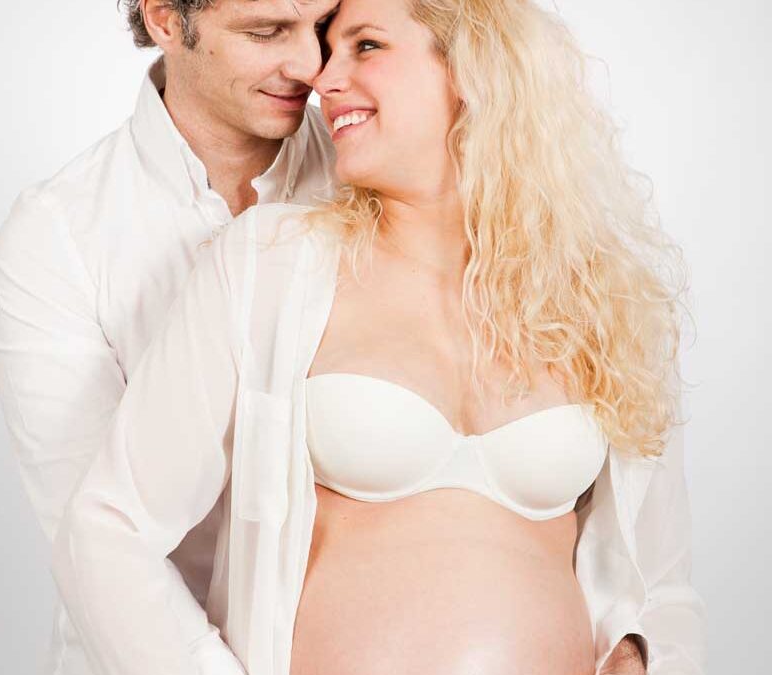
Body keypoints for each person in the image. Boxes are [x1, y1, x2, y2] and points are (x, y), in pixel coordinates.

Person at [51, 0, 707, 674]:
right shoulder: (269, 264)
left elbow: (661, 583)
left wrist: (640, 653)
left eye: (365, 46)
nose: (322, 78)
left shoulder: (604, 299)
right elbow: (110, 527)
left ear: (472, 65)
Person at [0, 1, 339, 673]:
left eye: (322, 27)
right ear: (167, 22)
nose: (310, 65)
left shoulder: (377, 176)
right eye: (265, 32)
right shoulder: (57, 236)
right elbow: (99, 548)